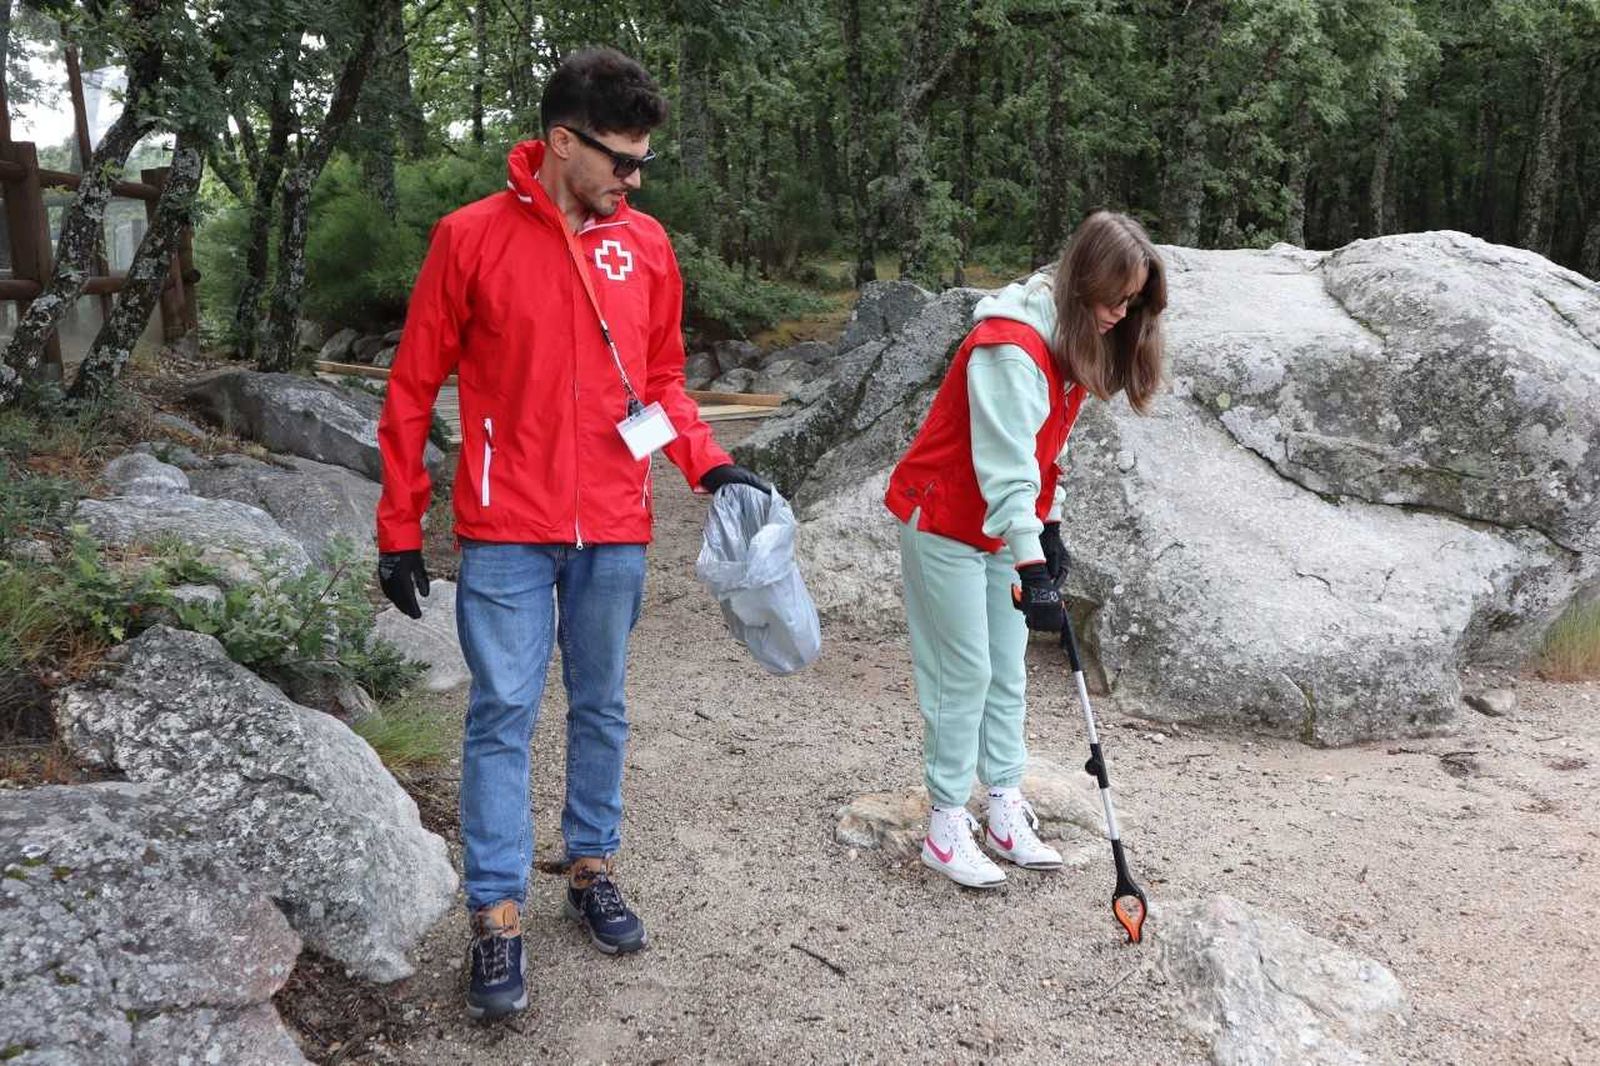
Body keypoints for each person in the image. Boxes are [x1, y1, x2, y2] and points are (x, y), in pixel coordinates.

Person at [374, 47, 769, 1019]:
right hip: (506, 524)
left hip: (617, 527)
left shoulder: (648, 246)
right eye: (620, 160)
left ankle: (591, 865)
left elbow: (665, 381)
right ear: (560, 142)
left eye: (642, 164)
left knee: (601, 705)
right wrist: (398, 526)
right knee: (502, 714)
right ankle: (497, 913)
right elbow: (414, 385)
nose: (633, 180)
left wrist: (708, 465)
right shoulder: (467, 239)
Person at [883, 210, 1166, 889]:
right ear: (1081, 283)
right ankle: (948, 824)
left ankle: (1004, 803)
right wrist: (1032, 560)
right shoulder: (1010, 344)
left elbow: (1046, 456)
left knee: (1008, 668)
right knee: (963, 674)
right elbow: (1006, 466)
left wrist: (1053, 528)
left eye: (1131, 303)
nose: (1120, 313)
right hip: (944, 518)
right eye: (1114, 298)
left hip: (999, 526)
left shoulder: (1072, 338)